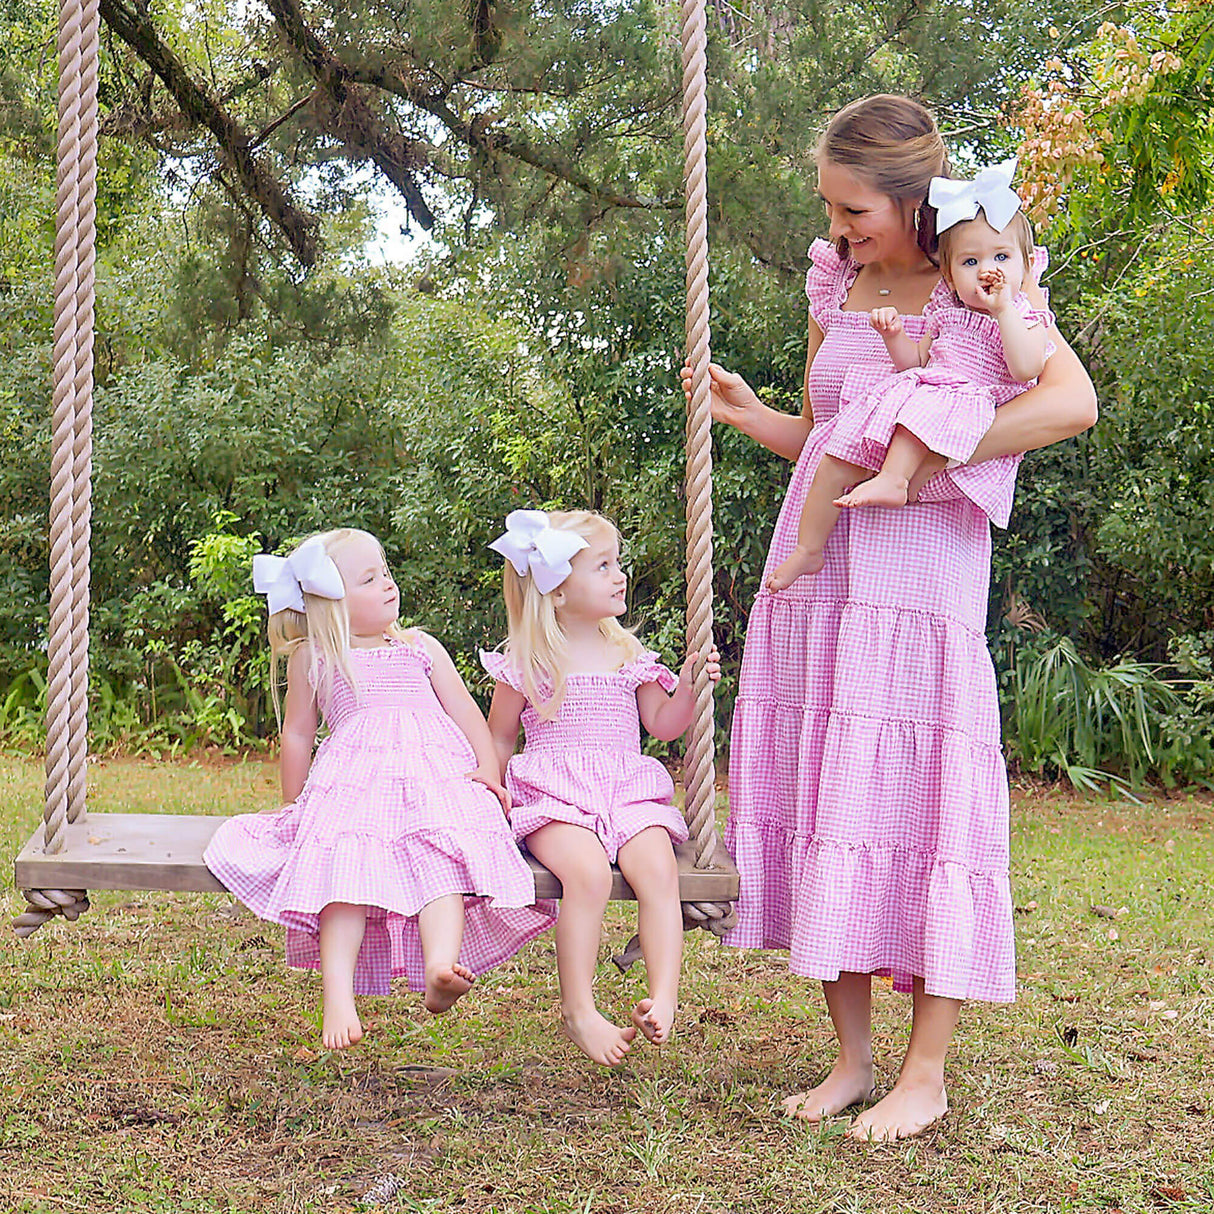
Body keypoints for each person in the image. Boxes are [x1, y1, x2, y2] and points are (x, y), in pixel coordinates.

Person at [682, 94, 1096, 1141]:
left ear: (910, 196)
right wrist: (751, 415)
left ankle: (926, 1069)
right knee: (832, 799)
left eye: (851, 208)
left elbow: (1068, 404)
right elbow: (828, 436)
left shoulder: (981, 277)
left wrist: (934, 444)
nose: (834, 230)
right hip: (818, 581)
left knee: (918, 803)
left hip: (915, 584)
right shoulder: (840, 283)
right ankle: (852, 1060)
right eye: (827, 209)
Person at [204, 528, 557, 1049]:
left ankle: (441, 968)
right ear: (333, 604)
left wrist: (488, 770)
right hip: (356, 787)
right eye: (370, 579)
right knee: (342, 873)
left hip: (436, 783)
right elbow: (298, 733)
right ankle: (337, 994)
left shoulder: (421, 647)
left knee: (444, 862)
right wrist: (293, 804)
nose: (389, 585)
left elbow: (467, 716)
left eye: (386, 572)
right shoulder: (318, 655)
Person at [482, 509, 720, 1067]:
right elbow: (497, 741)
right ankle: (579, 1009)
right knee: (586, 874)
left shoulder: (628, 655)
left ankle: (664, 996)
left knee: (658, 869)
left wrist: (688, 685)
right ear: (558, 592)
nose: (620, 576)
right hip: (555, 795)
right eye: (603, 566)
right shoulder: (527, 661)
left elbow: (663, 724)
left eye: (619, 563)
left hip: (625, 791)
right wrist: (489, 794)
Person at [767, 158, 1053, 590]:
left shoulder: (1023, 315)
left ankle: (895, 479)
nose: (988, 271)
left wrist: (1004, 309)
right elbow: (917, 364)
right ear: (950, 275)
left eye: (1000, 258)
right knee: (835, 453)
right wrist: (894, 336)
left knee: (917, 416)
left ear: (1025, 265)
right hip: (923, 386)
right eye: (971, 262)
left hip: (959, 404)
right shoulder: (945, 311)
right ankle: (809, 548)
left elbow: (1027, 366)